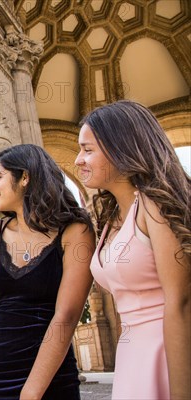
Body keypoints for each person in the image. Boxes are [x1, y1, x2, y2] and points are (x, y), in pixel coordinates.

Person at [75, 100, 190, 400]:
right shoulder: (109, 217)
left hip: (166, 352)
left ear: (121, 147)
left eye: (88, 150)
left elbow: (180, 303)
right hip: (131, 358)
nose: (78, 160)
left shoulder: (154, 205)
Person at [0, 144, 95, 399]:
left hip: (49, 376)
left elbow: (66, 315)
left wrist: (32, 392)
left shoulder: (76, 231)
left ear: (25, 177)